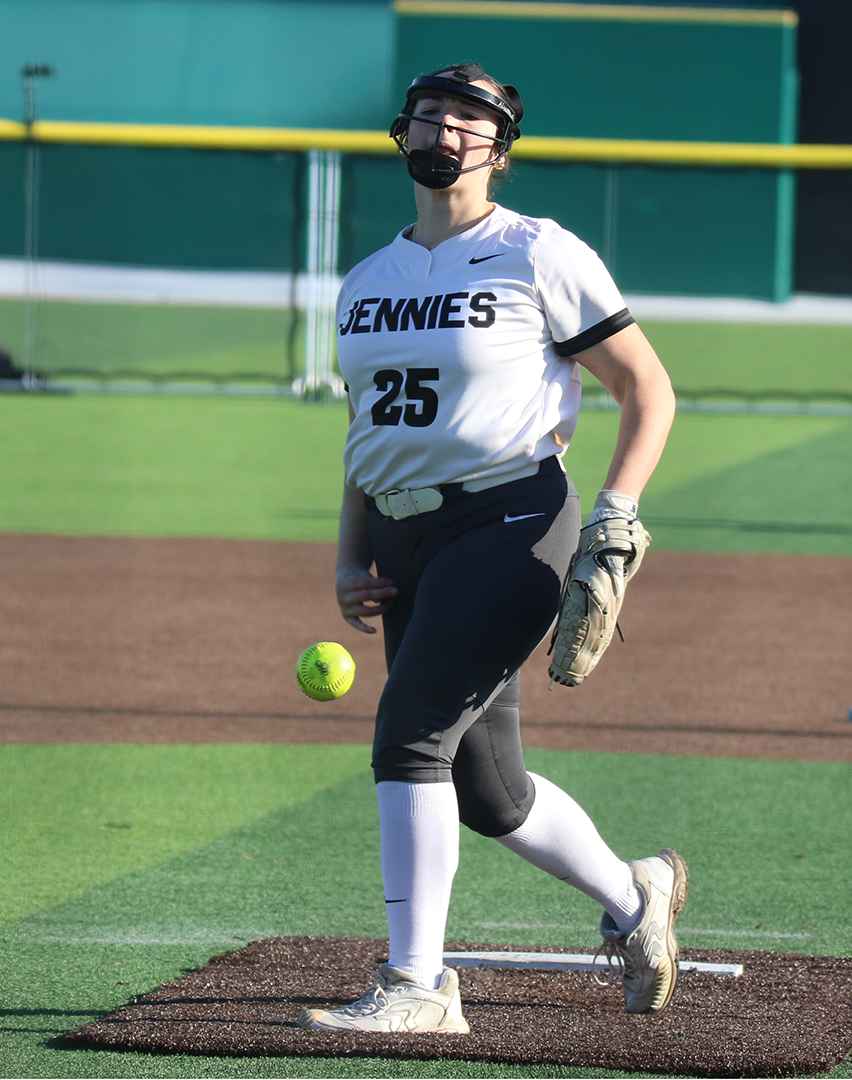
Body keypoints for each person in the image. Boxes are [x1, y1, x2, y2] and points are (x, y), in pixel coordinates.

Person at [296, 64, 683, 1035]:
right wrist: (352, 553)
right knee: (484, 787)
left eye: (472, 121)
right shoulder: (369, 277)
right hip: (403, 535)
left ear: (499, 150)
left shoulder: (536, 250)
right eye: (432, 113)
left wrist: (617, 516)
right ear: (403, 131)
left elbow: (648, 388)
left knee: (410, 731)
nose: (447, 131)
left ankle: (418, 986)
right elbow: (366, 428)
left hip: (509, 521)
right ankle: (640, 901)